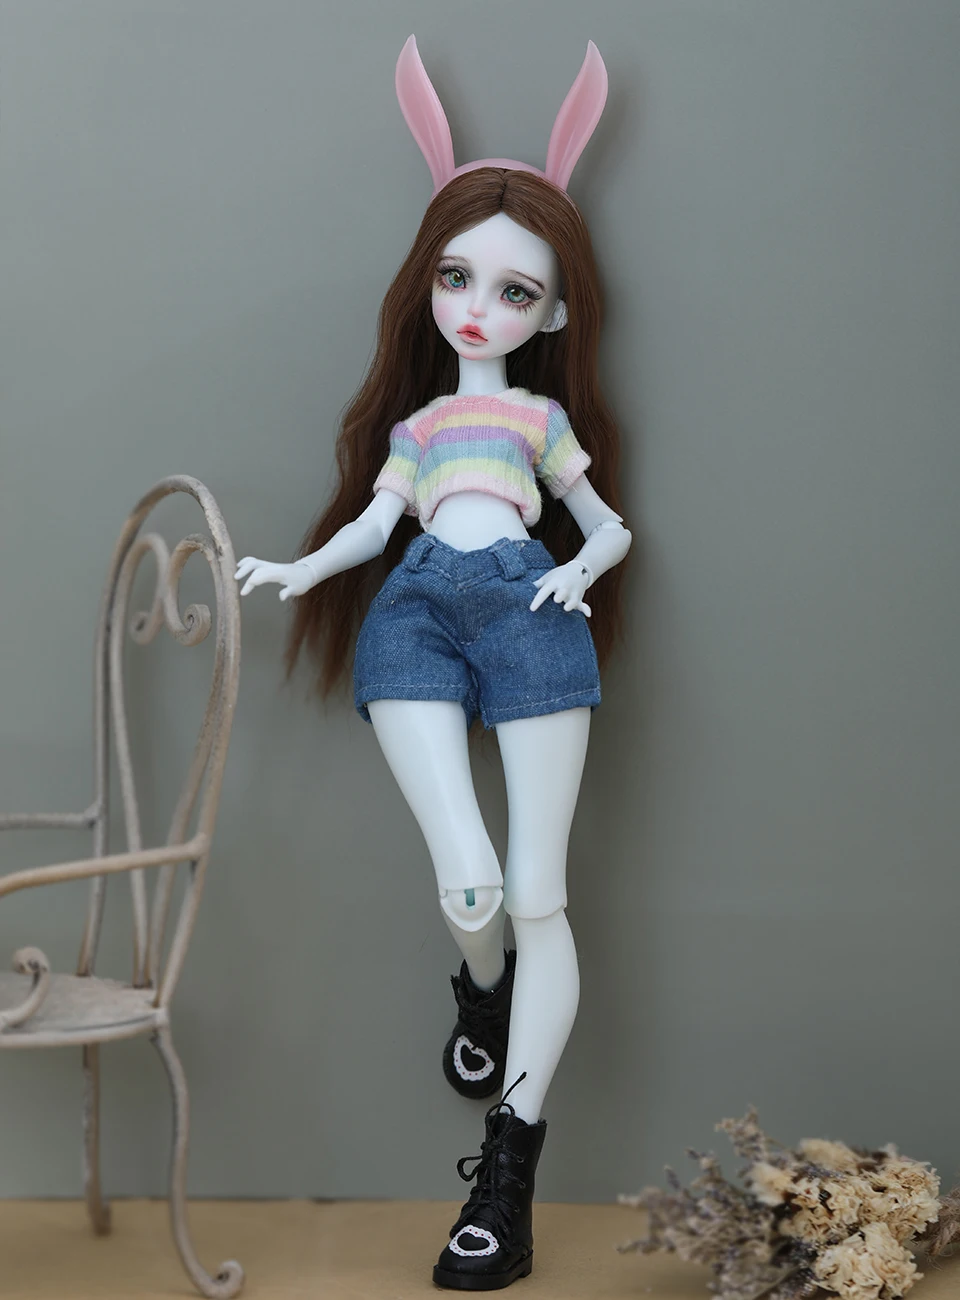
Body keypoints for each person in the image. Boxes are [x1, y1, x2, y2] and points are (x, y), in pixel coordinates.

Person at [235, 36, 631, 1291]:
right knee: (471, 883)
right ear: (424, 286)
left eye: (516, 291)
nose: (478, 307)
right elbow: (372, 522)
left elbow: (610, 524)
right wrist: (301, 569)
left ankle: (506, 1179)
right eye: (457, 276)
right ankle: (482, 988)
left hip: (529, 607)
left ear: (552, 312)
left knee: (536, 888)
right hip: (411, 612)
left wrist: (578, 569)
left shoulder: (539, 420)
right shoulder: (417, 427)